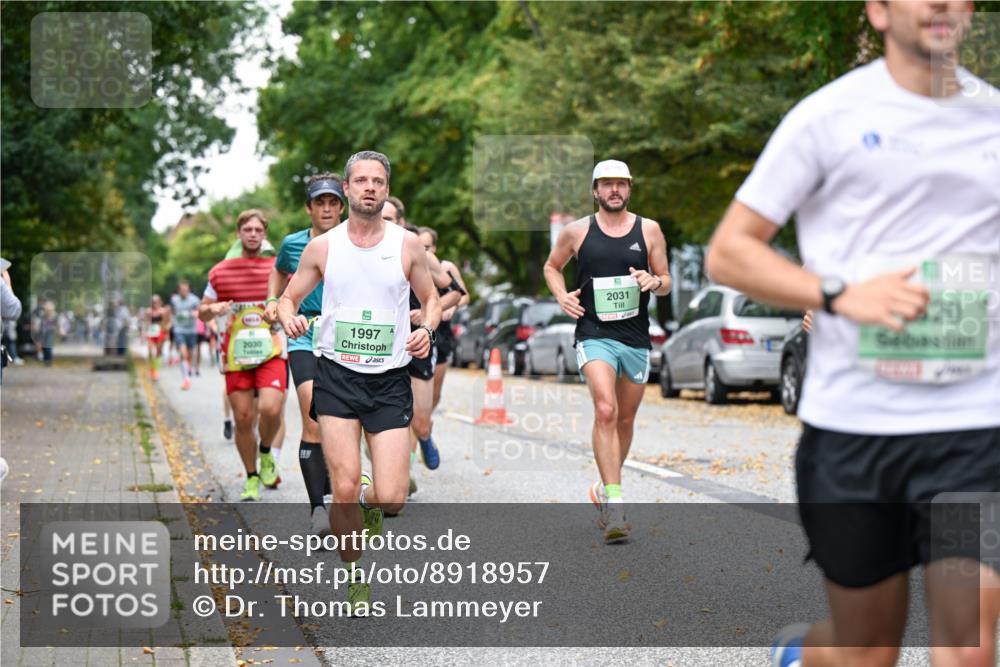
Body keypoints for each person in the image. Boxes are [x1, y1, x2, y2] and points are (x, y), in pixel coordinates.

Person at [704, 2, 999, 665]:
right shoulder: (826, 117)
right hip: (855, 428)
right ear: (879, 10)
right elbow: (730, 251)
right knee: (868, 650)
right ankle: (801, 654)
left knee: (969, 647)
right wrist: (838, 294)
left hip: (974, 425)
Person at [278, 150, 440, 613]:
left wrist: (426, 330)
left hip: (389, 380)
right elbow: (288, 299)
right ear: (347, 189)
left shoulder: (408, 245)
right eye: (361, 180)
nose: (370, 187)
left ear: (386, 190)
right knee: (344, 488)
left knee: (390, 498)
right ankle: (355, 577)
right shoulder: (323, 248)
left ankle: (367, 502)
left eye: (378, 181)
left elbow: (430, 300)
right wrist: (289, 319)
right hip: (337, 377)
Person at [543, 159, 672, 544]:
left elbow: (666, 281)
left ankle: (603, 487)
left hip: (635, 337)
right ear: (595, 190)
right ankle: (615, 505)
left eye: (621, 184)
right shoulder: (576, 231)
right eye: (606, 184)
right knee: (605, 409)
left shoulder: (649, 229)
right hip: (594, 333)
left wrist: (654, 280)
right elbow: (552, 267)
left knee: (625, 420)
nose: (614, 190)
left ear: (629, 189)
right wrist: (561, 295)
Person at [265, 172, 345, 536]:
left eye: (333, 203)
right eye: (320, 203)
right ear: (308, 208)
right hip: (304, 333)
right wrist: (274, 301)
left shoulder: (356, 241)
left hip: (347, 335)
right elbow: (278, 273)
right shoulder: (293, 244)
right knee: (313, 416)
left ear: (342, 206)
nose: (326, 209)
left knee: (342, 420)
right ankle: (319, 510)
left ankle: (340, 487)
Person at [199, 209, 288, 501]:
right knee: (242, 417)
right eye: (247, 230)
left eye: (258, 230)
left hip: (270, 348)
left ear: (264, 235)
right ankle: (251, 477)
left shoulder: (277, 267)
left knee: (272, 408)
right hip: (236, 352)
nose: (252, 234)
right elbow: (202, 308)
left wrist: (281, 312)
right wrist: (213, 309)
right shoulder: (220, 271)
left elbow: (291, 299)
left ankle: (265, 453)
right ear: (239, 233)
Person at [382, 202, 464, 483]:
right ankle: (402, 476)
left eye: (390, 218)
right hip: (382, 344)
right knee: (386, 415)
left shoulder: (415, 249)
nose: (385, 223)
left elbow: (455, 291)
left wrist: (429, 313)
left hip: (418, 342)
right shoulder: (360, 248)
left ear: (402, 221)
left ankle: (425, 436)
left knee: (418, 419)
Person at [417, 226, 470, 422]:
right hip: (420, 332)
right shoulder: (411, 262)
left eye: (427, 247)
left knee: (435, 392)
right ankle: (420, 425)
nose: (424, 251)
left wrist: (450, 308)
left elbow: (463, 295)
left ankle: (424, 423)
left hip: (442, 333)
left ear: (435, 248)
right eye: (420, 246)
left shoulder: (446, 268)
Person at [171, 280, 201, 390]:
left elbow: (199, 311)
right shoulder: (174, 299)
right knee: (183, 354)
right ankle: (186, 379)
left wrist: (195, 313)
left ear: (188, 290)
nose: (184, 292)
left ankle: (187, 372)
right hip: (179, 330)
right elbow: (172, 312)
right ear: (179, 290)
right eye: (182, 290)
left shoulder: (194, 300)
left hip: (191, 330)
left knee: (189, 354)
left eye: (186, 290)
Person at [144, 295, 170, 380]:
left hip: (160, 332)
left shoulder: (163, 311)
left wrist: (166, 333)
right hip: (151, 332)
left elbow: (166, 322)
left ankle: (156, 370)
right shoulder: (148, 311)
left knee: (158, 352)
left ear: (159, 302)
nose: (154, 304)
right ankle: (152, 368)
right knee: (150, 350)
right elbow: (146, 322)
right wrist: (145, 331)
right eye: (153, 302)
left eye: (156, 302)